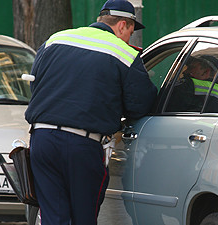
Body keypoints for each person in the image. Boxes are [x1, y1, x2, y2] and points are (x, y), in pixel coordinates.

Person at [25, 0, 157, 224]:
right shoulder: (123, 53)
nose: (128, 38)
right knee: (83, 217)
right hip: (82, 147)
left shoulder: (56, 39)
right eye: (131, 32)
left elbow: (35, 84)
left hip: (42, 140)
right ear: (123, 25)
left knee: (53, 217)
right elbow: (141, 104)